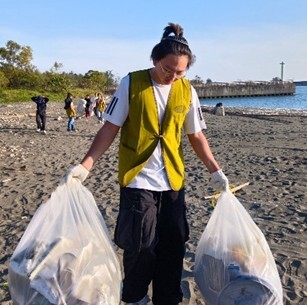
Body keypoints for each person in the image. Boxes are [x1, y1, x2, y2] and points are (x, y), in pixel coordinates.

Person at [63, 23, 229, 305]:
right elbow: (109, 128)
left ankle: (167, 298)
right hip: (138, 178)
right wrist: (85, 166)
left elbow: (196, 134)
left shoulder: (187, 90)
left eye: (180, 72)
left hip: (173, 181)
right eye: (167, 69)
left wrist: (216, 170)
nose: (173, 76)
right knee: (141, 247)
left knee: (174, 245)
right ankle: (136, 298)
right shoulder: (132, 83)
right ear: (155, 60)